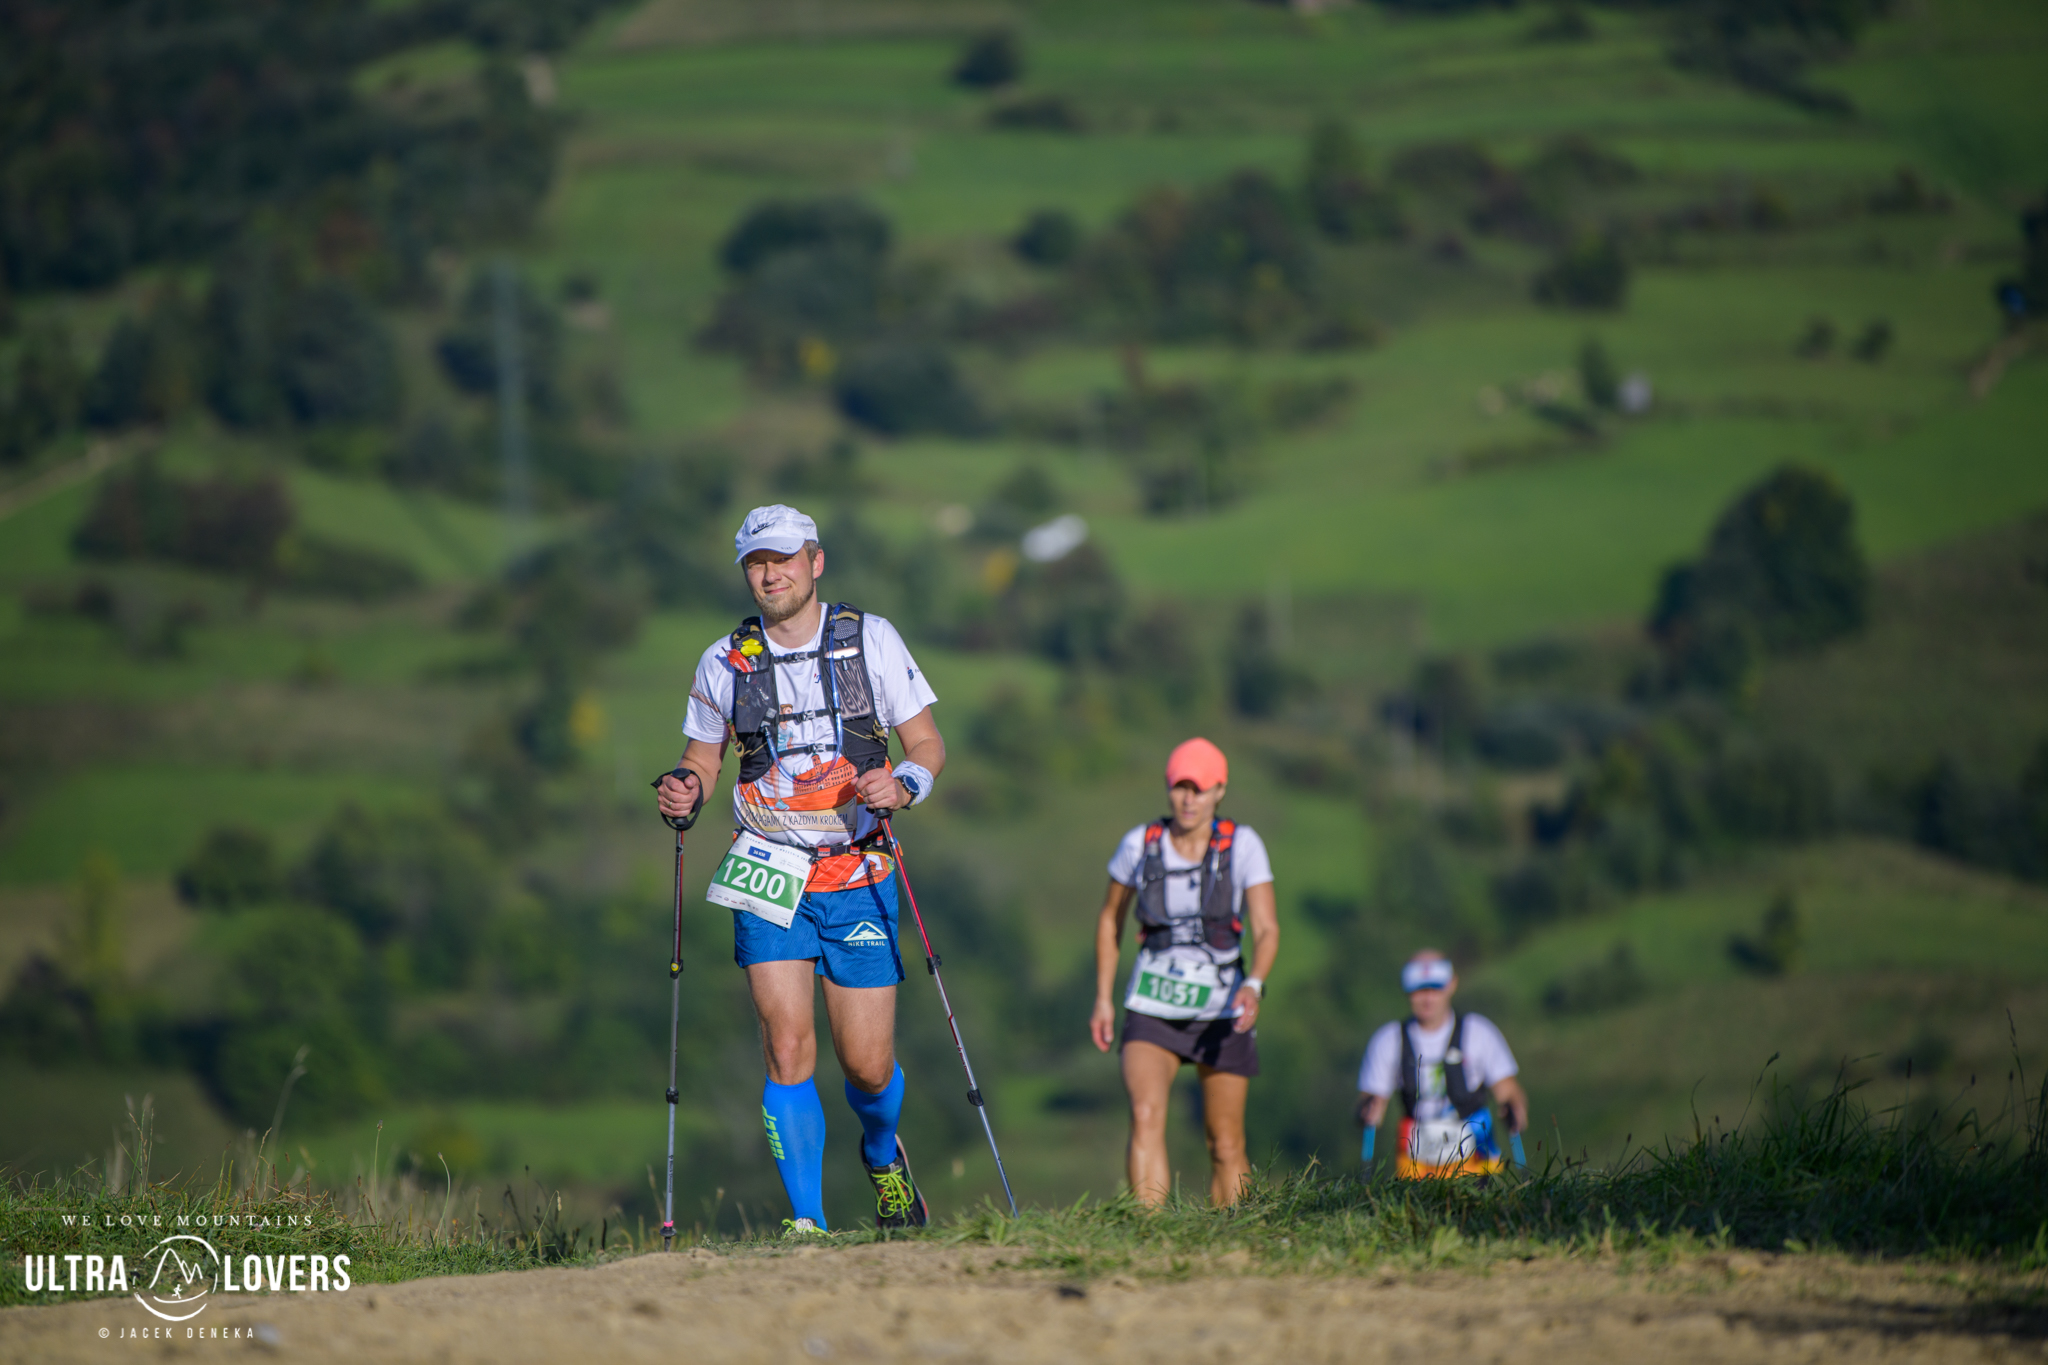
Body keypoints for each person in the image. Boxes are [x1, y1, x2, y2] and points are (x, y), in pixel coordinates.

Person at [655, 504, 946, 1234]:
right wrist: (686, 788)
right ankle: (807, 1225)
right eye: (756, 563)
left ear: (815, 562)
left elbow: (926, 743)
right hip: (768, 869)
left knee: (867, 1066)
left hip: (857, 870)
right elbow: (701, 759)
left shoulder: (871, 640)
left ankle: (882, 1157)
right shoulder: (724, 661)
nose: (769, 574)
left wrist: (905, 784)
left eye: (782, 559)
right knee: (786, 1048)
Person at [1090, 738, 1279, 1207]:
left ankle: (1232, 1235)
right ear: (1168, 788)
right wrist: (1103, 999)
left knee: (1225, 1142)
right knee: (1145, 1114)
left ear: (1220, 791)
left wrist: (1254, 984)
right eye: (1180, 787)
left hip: (1223, 1006)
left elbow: (1266, 928)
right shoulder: (1139, 844)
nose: (1188, 799)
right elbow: (1111, 919)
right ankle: (1150, 1235)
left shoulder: (1244, 846)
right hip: (1153, 1002)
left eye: (1200, 788)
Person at [1355, 950, 1529, 1178]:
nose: (1428, 999)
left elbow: (1508, 1092)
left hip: (1476, 1161)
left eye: (1435, 988)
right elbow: (1369, 1103)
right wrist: (1367, 1110)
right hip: (1416, 1165)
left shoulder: (1479, 1033)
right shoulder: (1388, 1041)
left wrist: (1514, 1108)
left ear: (1452, 985)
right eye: (1419, 990)